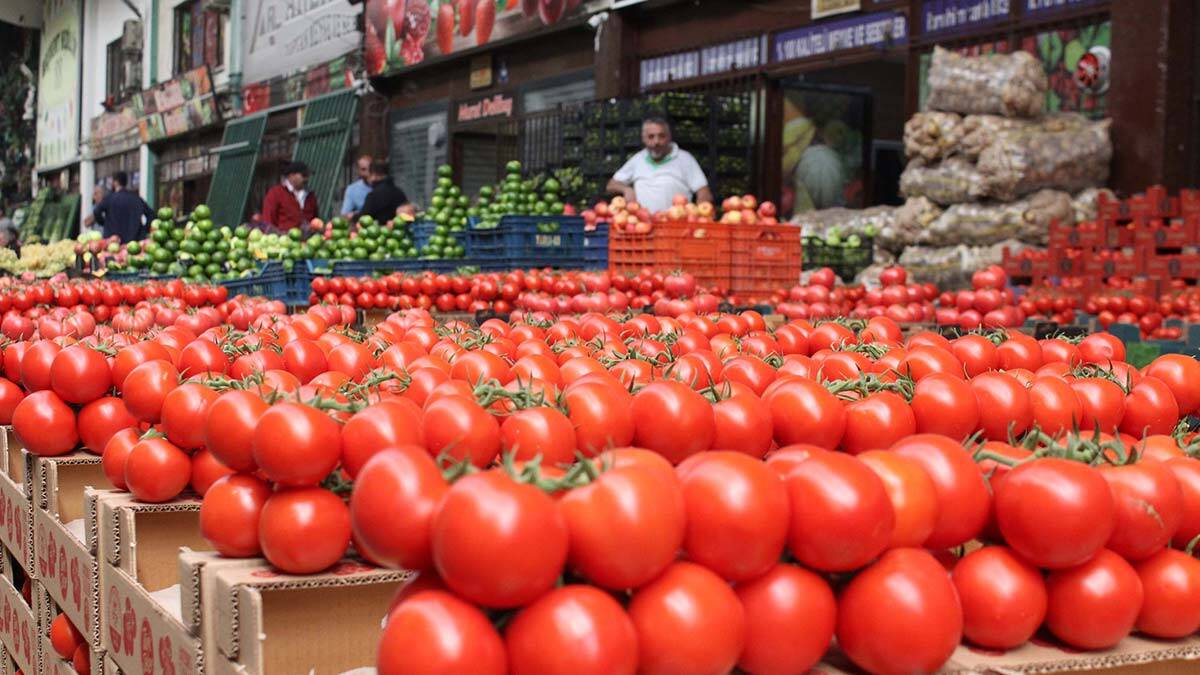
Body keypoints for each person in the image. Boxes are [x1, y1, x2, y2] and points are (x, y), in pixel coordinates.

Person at [607, 117, 713, 214]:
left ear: (669, 137)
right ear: (643, 139)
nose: (656, 142)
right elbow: (611, 185)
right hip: (641, 226)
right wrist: (627, 190)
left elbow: (703, 192)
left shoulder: (685, 159)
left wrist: (701, 215)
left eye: (661, 136)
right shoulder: (638, 159)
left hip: (675, 225)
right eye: (651, 137)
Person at [93, 172, 154, 243]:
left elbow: (96, 212)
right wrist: (144, 230)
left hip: (113, 242)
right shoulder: (137, 199)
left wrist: (104, 223)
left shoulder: (109, 199)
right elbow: (151, 214)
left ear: (115, 182)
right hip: (134, 243)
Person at [261, 161, 318, 231]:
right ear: (291, 175)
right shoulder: (276, 193)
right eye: (304, 175)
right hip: (283, 239)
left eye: (308, 176)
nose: (306, 179)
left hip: (309, 240)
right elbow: (268, 220)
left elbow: (315, 221)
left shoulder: (311, 196)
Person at [341, 155, 374, 220]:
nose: (368, 173)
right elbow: (345, 215)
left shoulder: (382, 187)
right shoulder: (352, 189)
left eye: (370, 169)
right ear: (359, 171)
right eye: (363, 169)